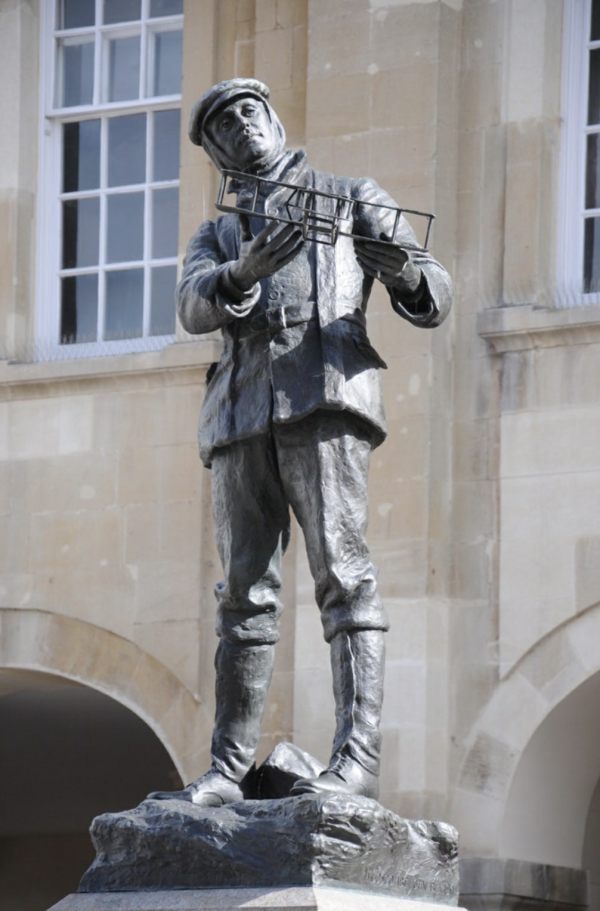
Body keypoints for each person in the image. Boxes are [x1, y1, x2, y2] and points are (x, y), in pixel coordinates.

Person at [152, 78, 452, 807]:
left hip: (324, 394)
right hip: (239, 414)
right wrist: (245, 271)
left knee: (344, 577)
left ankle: (356, 759)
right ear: (216, 152)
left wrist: (405, 273)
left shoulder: (350, 196)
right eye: (224, 124)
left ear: (275, 119)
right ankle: (227, 769)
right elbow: (192, 303)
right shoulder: (218, 232)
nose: (242, 126)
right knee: (243, 597)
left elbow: (435, 293)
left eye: (250, 111)